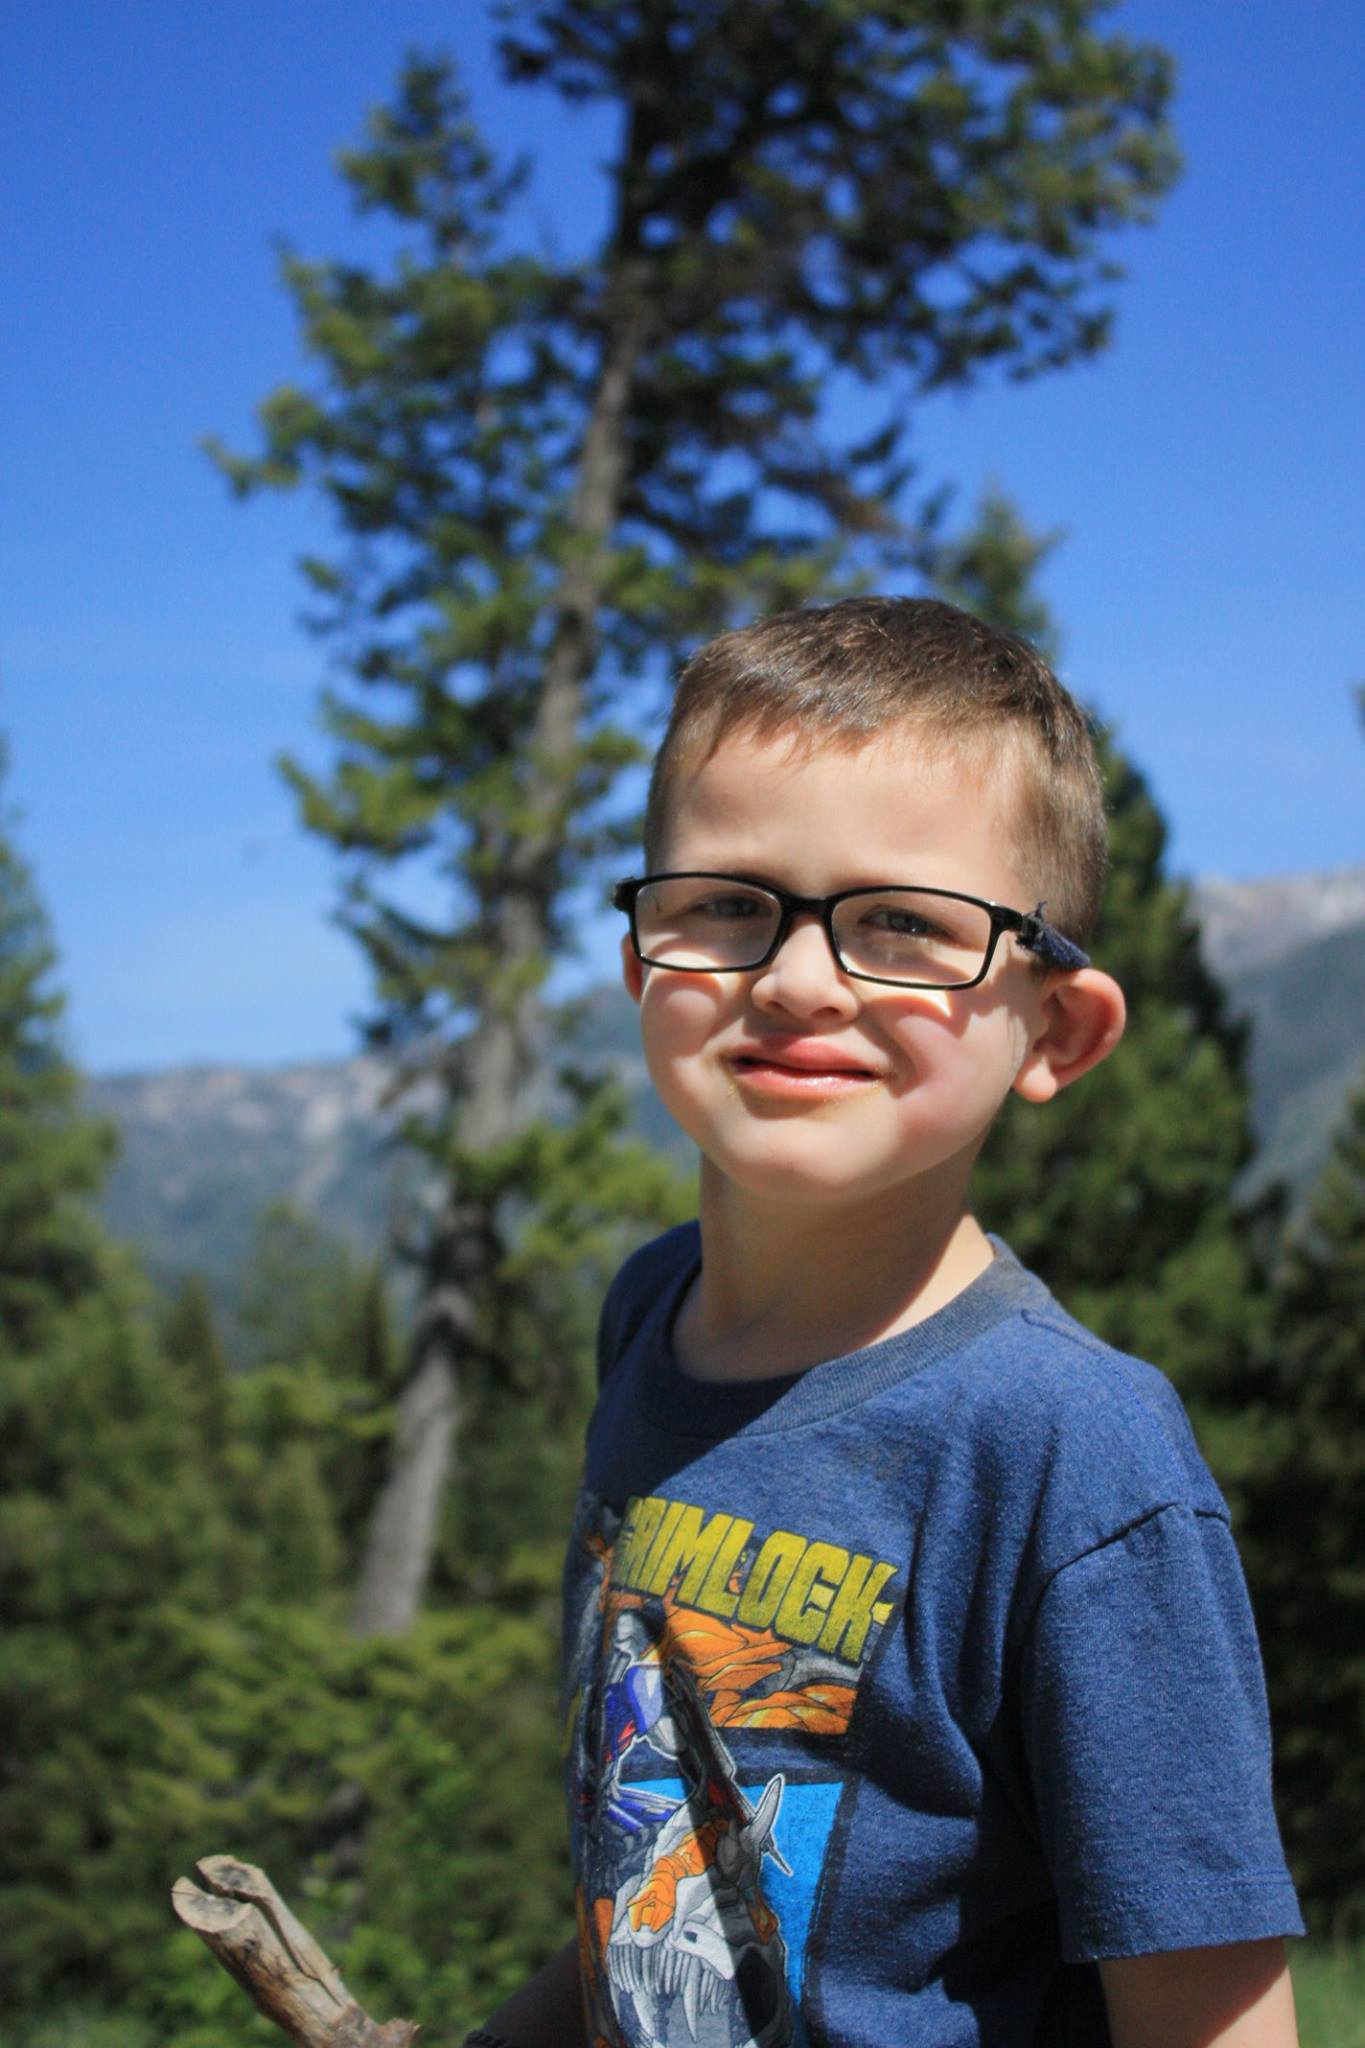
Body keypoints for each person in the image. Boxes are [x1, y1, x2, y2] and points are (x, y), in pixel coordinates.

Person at [466, 597, 1303, 2048]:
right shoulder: (646, 1318)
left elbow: (1211, 2013)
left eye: (902, 925)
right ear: (639, 959)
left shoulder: (1069, 1449)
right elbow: (663, 1881)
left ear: (1054, 1031)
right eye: (723, 903)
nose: (793, 979)